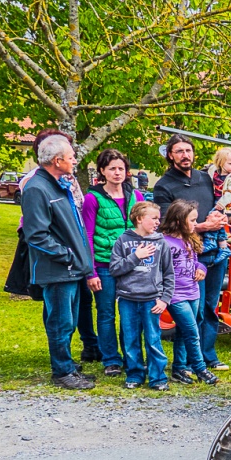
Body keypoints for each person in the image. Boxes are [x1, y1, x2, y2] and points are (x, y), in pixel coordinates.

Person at [20, 135, 96, 390]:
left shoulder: (58, 185)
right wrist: (68, 256)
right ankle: (62, 372)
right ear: (57, 160)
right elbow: (36, 234)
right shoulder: (37, 188)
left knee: (70, 321)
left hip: (71, 269)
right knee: (60, 322)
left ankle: (68, 366)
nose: (75, 161)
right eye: (72, 157)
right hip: (58, 270)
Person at [153, 134, 230, 371]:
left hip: (214, 251)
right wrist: (203, 226)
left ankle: (208, 355)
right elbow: (168, 225)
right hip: (187, 255)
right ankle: (185, 361)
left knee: (210, 306)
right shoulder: (163, 185)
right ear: (170, 155)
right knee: (192, 309)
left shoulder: (204, 179)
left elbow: (217, 205)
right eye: (179, 151)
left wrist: (220, 218)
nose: (185, 155)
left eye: (188, 150)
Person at [82, 149, 144, 377]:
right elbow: (87, 235)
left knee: (131, 313)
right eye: (112, 169)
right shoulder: (93, 198)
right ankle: (110, 358)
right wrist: (91, 272)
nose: (117, 173)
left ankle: (132, 356)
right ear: (102, 171)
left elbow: (144, 229)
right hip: (104, 264)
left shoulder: (136, 196)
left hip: (132, 264)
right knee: (106, 312)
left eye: (121, 168)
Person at [110, 201, 174, 390]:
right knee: (130, 340)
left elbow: (169, 273)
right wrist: (136, 256)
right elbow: (115, 269)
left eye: (158, 218)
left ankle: (158, 377)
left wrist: (165, 299)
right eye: (153, 218)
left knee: (153, 340)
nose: (157, 222)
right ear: (139, 219)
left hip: (152, 300)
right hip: (128, 299)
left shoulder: (161, 242)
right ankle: (135, 375)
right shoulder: (123, 240)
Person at [159, 200, 217, 385]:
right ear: (178, 220)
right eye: (192, 220)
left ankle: (179, 367)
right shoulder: (165, 242)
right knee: (192, 331)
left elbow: (195, 261)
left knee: (185, 332)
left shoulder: (188, 239)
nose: (195, 224)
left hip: (193, 291)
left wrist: (202, 268)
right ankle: (200, 368)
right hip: (176, 295)